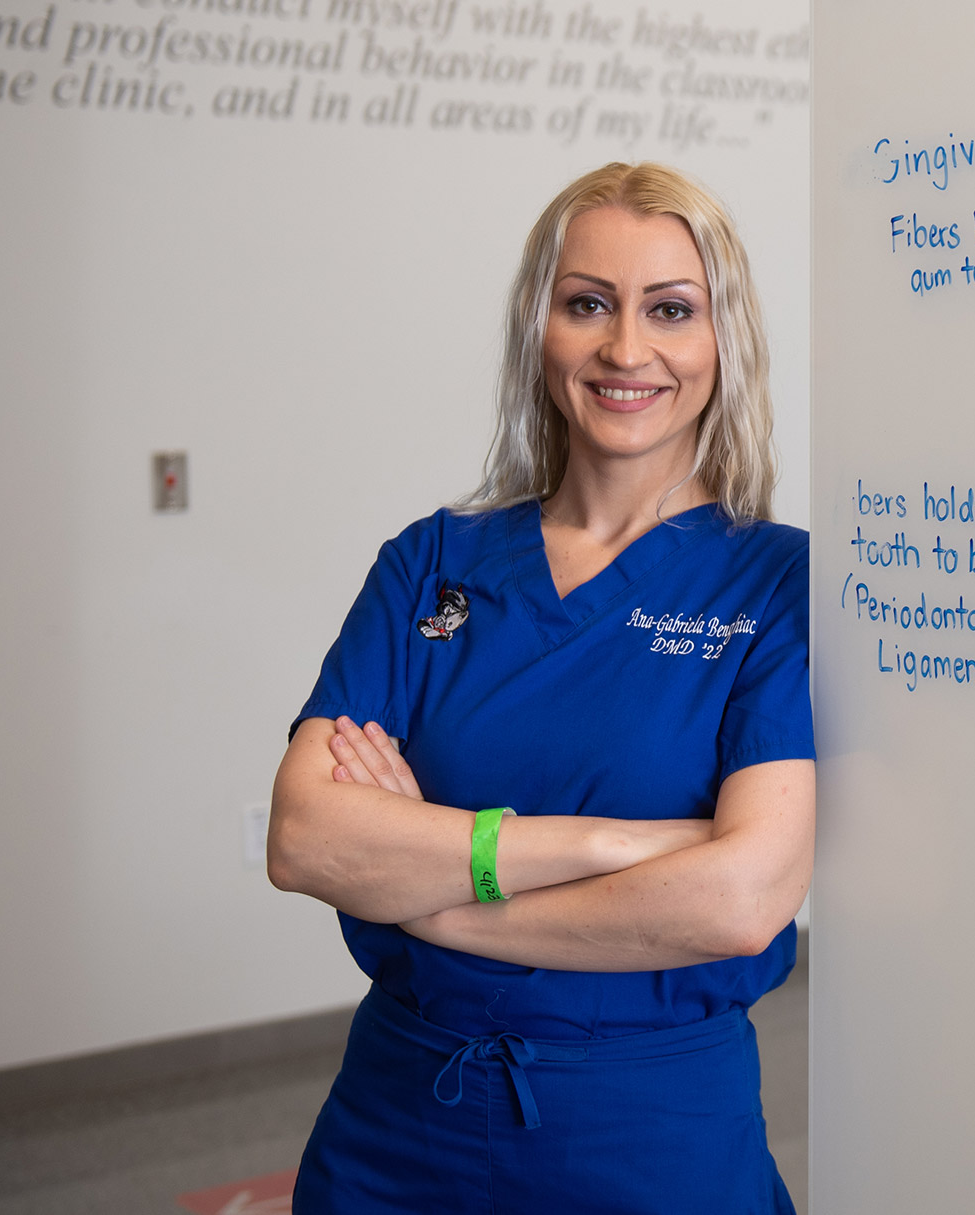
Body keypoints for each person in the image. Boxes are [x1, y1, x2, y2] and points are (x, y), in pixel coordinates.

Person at [266, 161, 814, 1213]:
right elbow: (306, 838)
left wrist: (437, 895)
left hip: (649, 1133)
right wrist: (616, 844)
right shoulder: (430, 563)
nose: (625, 348)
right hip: (396, 1126)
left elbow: (741, 901)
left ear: (721, 343)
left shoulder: (780, 585)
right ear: (540, 330)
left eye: (670, 310)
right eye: (586, 305)